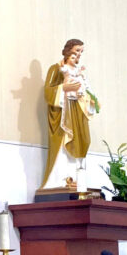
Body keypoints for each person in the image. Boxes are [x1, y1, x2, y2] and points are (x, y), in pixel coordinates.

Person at [41, 39, 96, 189]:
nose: (79, 54)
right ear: (68, 50)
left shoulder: (80, 73)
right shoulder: (56, 68)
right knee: (64, 143)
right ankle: (61, 180)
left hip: (78, 111)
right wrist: (64, 88)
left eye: (81, 51)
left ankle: (78, 179)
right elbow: (48, 92)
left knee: (81, 141)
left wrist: (91, 101)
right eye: (76, 50)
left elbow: (85, 91)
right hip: (64, 113)